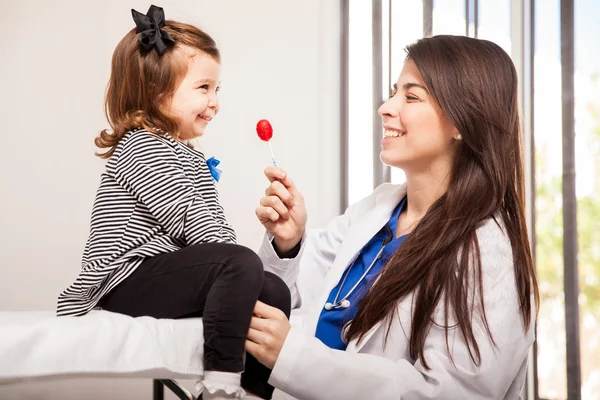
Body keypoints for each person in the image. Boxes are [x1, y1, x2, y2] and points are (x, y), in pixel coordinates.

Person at [246, 35, 539, 400]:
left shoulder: (487, 251)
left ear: (462, 122)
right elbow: (292, 301)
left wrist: (293, 358)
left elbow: (451, 392)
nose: (386, 107)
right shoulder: (378, 208)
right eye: (393, 92)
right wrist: (288, 243)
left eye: (411, 97)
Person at [56, 5, 290, 400]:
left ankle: (252, 392)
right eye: (203, 88)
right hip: (123, 281)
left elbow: (210, 222)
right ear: (156, 91)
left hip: (159, 276)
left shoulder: (186, 153)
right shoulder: (142, 146)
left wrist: (242, 271)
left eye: (218, 90)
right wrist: (236, 262)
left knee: (274, 291)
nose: (215, 101)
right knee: (241, 264)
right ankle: (220, 383)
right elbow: (188, 217)